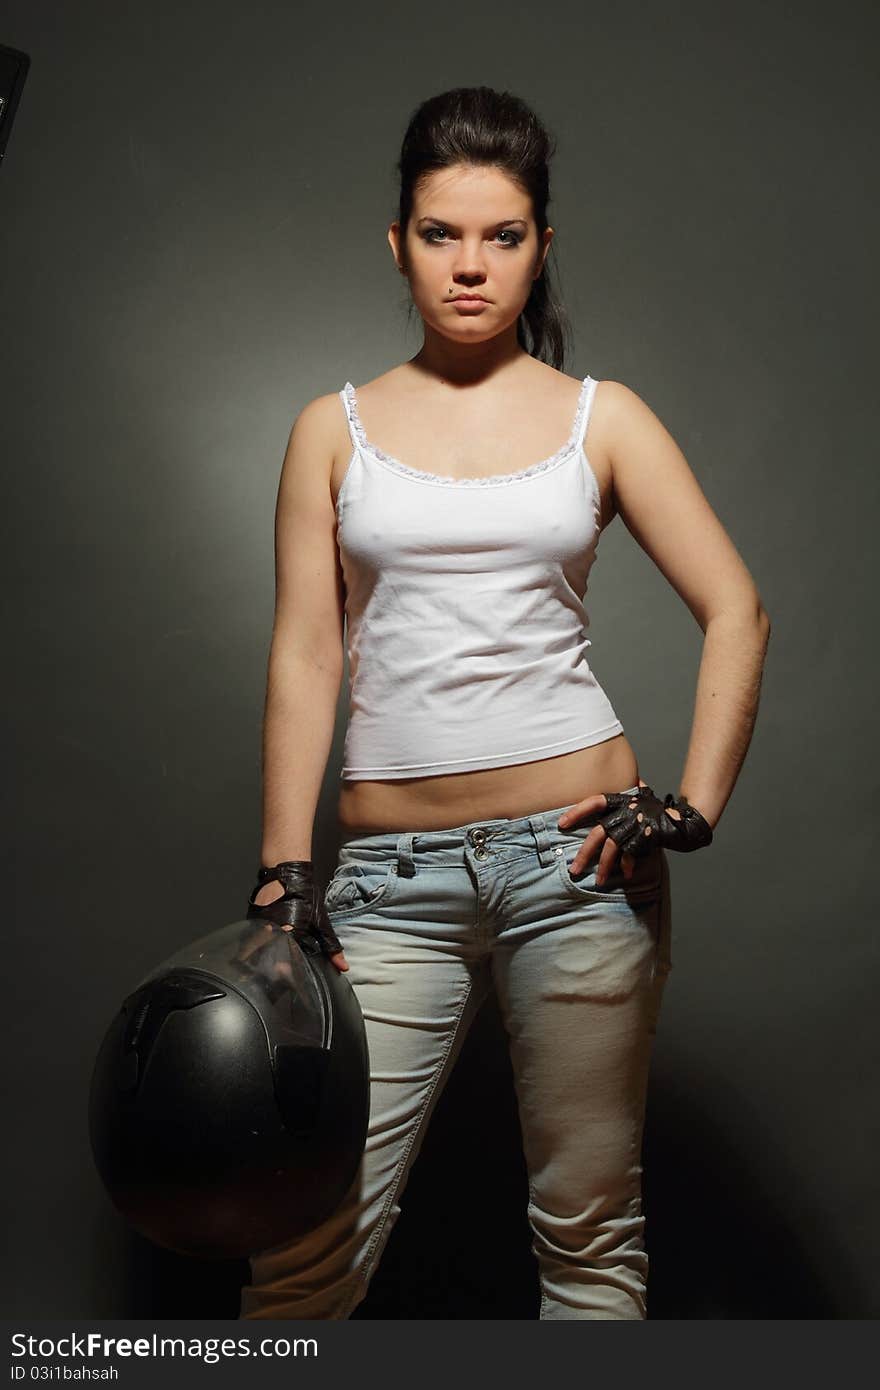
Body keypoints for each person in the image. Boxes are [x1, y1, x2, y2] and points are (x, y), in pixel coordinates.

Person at [239, 86, 771, 1320]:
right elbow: (305, 657)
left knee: (588, 1236)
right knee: (305, 1245)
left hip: (577, 865)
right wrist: (281, 873)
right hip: (382, 885)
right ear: (397, 243)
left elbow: (737, 609)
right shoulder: (334, 428)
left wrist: (689, 806)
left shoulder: (604, 417)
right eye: (441, 235)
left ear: (540, 244)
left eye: (502, 235)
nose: (471, 266)